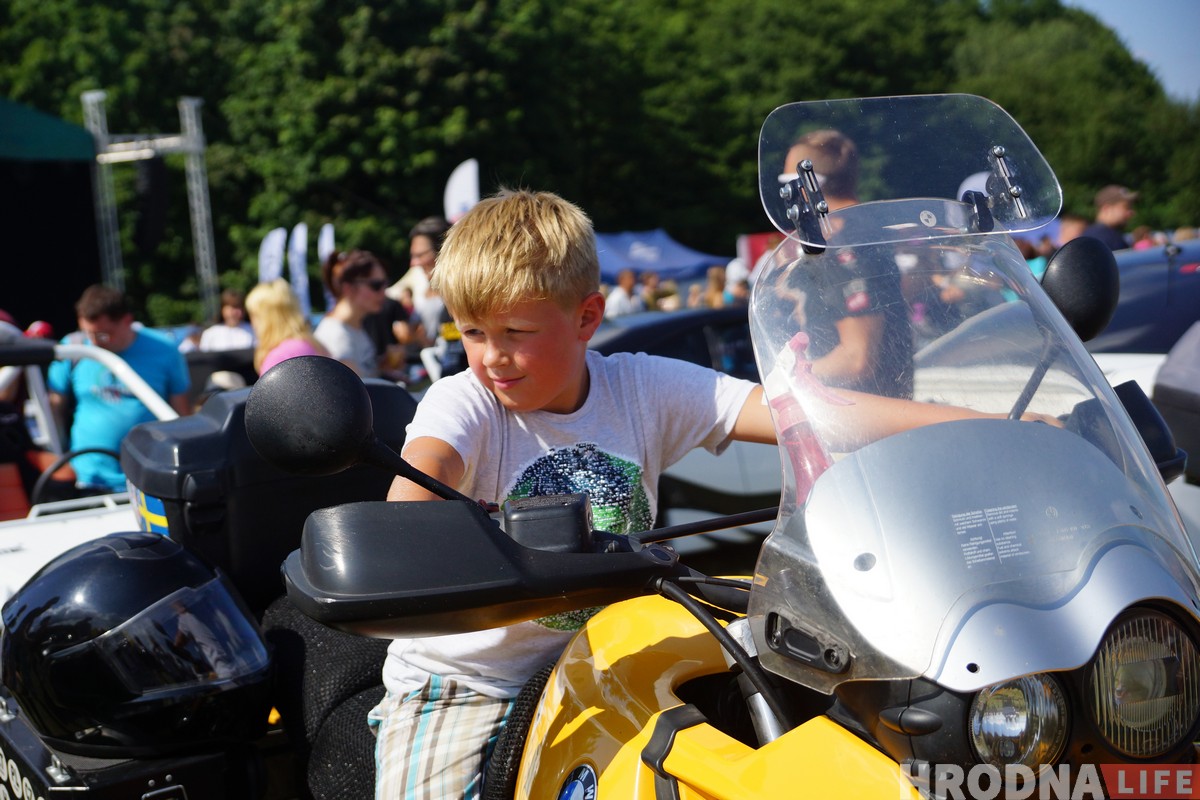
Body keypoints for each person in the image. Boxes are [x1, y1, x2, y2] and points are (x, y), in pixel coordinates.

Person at [370, 188, 1032, 798]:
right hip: (469, 684)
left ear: (587, 318)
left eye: (515, 333)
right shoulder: (465, 403)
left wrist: (1001, 430)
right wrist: (416, 524)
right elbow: (424, 474)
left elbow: (807, 410)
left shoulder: (640, 388)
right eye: (472, 332)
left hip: (611, 659)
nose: (491, 356)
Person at [775, 128, 912, 398]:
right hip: (881, 405)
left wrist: (785, 377)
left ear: (805, 184)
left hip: (858, 413)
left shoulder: (843, 242)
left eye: (787, 183)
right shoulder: (869, 228)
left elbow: (856, 359)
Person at [47, 285, 191, 493]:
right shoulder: (73, 348)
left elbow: (181, 417)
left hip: (148, 480)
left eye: (104, 335)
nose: (95, 342)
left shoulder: (164, 350)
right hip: (87, 478)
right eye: (89, 334)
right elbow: (53, 408)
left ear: (127, 321)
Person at [314, 249, 389, 379]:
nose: (384, 292)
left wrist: (384, 368)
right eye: (376, 285)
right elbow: (357, 392)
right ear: (348, 288)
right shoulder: (336, 336)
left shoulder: (354, 325)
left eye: (385, 284)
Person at [244, 279, 329, 375]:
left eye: (254, 315)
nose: (252, 322)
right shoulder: (314, 344)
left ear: (266, 319)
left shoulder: (279, 357)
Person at [1082, 185, 1138, 251]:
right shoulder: (1106, 239)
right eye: (1126, 207)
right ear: (1106, 209)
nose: (1131, 212)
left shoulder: (1090, 235)